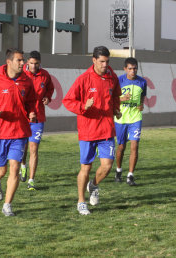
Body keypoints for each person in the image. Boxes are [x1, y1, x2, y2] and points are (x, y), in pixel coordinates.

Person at [0, 48, 36, 216]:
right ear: (9, 62)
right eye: (19, 60)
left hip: (19, 132)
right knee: (1, 170)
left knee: (15, 167)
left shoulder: (27, 81)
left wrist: (32, 112)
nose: (23, 63)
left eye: (23, 60)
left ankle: (7, 205)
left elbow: (31, 102)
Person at [62, 46, 122, 215]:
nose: (105, 65)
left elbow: (116, 95)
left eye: (107, 61)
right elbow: (67, 100)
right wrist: (83, 106)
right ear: (94, 60)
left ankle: (93, 185)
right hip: (88, 131)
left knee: (107, 166)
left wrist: (116, 109)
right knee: (85, 169)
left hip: (107, 130)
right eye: (102, 61)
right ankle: (81, 201)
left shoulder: (112, 77)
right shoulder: (84, 79)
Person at [19, 51, 54, 190]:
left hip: (38, 117)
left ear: (40, 63)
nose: (33, 66)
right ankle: (23, 165)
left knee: (34, 148)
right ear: (27, 62)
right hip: (23, 116)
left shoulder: (45, 75)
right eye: (31, 63)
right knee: (22, 147)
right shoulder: (21, 74)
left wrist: (48, 97)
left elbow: (50, 89)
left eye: (36, 64)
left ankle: (31, 180)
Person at [114, 57, 147, 186]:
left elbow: (143, 95)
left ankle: (130, 175)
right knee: (121, 147)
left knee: (135, 146)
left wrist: (142, 104)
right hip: (121, 118)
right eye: (130, 69)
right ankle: (118, 170)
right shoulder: (118, 81)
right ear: (125, 69)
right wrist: (122, 99)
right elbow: (112, 98)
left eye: (135, 69)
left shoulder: (142, 82)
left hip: (135, 118)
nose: (133, 71)